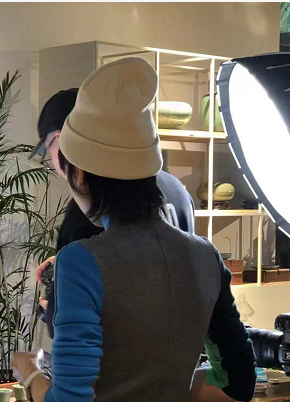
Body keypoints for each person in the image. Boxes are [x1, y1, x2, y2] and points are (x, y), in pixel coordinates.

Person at [12, 57, 256, 402]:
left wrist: (30, 374)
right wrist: (161, 387)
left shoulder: (82, 260)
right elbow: (239, 381)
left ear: (81, 173)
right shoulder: (205, 256)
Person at [30, 88, 196, 336]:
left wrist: (49, 308)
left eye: (48, 148)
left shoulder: (91, 207)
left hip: (118, 354)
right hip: (179, 347)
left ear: (64, 140)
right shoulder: (176, 189)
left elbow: (64, 323)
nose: (54, 164)